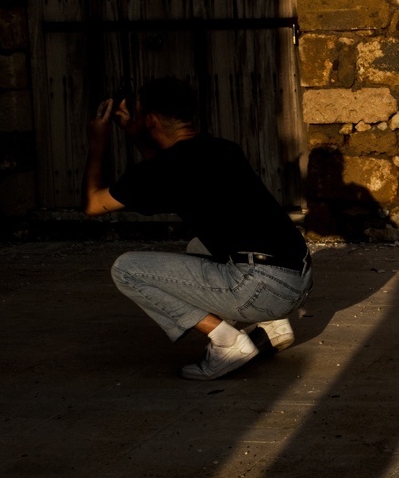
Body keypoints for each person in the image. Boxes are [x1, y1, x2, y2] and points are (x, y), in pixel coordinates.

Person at [84, 77, 313, 380]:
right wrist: (136, 134)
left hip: (262, 287)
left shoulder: (167, 169)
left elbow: (92, 204)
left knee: (127, 270)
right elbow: (165, 167)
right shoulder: (222, 149)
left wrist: (97, 142)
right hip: (299, 277)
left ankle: (227, 341)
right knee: (198, 248)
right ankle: (273, 325)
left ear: (150, 120)